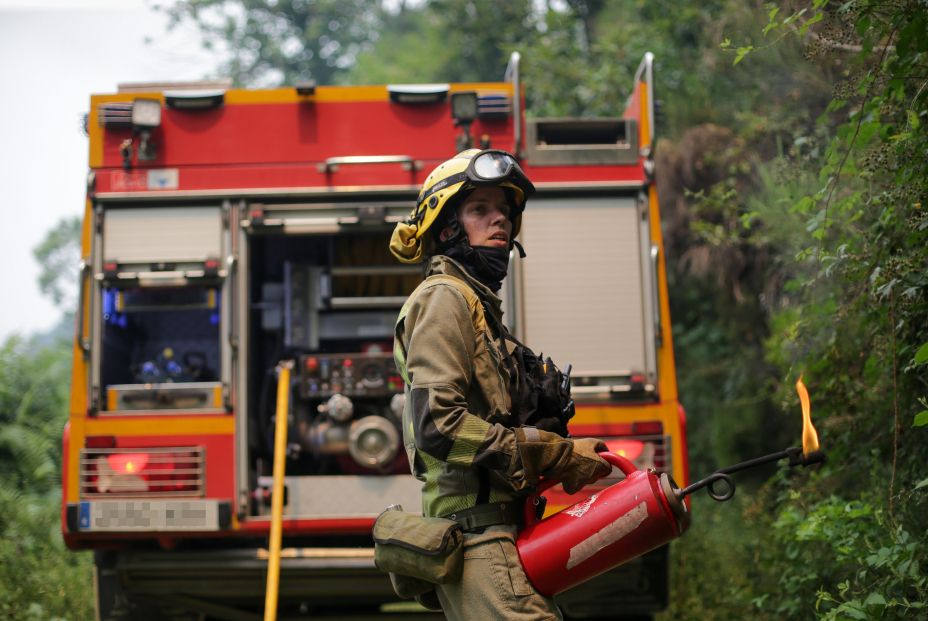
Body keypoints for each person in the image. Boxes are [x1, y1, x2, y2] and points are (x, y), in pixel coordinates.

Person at [389, 149, 611, 620]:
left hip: (505, 536)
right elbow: (439, 425)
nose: (501, 221)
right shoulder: (444, 299)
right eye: (480, 210)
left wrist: (561, 447)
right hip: (477, 541)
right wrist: (555, 455)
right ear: (446, 227)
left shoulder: (477, 306)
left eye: (505, 211)